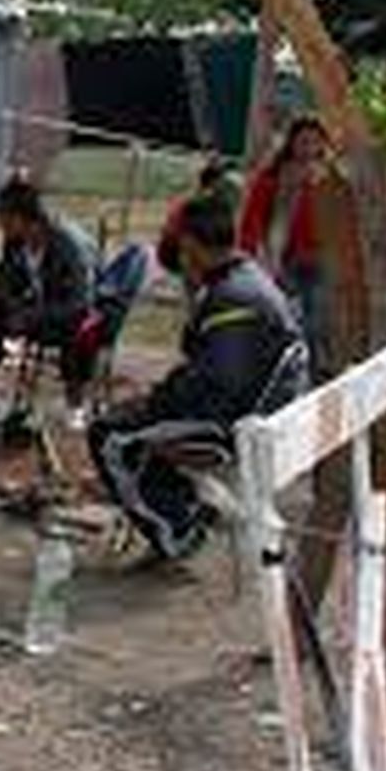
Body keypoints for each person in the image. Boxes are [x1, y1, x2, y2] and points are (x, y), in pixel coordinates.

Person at [88, 192, 307, 560]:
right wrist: (160, 396)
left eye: (180, 250)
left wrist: (155, 401)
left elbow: (215, 386)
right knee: (138, 419)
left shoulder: (231, 298)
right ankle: (182, 505)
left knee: (108, 435)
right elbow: (209, 371)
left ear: (190, 244)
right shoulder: (245, 277)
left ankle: (176, 531)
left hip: (233, 421)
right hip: (252, 408)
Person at [0, 177, 99, 425]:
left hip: (68, 315)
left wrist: (32, 314)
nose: (1, 224)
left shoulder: (66, 246)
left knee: (83, 328)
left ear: (23, 217)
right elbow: (0, 281)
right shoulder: (15, 243)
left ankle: (75, 408)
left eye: (5, 217)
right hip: (34, 313)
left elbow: (79, 302)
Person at [238, 115, 359, 377]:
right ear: (291, 143)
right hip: (284, 259)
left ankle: (318, 374)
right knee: (288, 319)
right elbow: (253, 219)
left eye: (315, 141)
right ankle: (286, 374)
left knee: (319, 322)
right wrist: (249, 256)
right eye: (302, 140)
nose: (308, 147)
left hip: (322, 261)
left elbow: (347, 220)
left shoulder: (334, 180)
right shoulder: (272, 178)